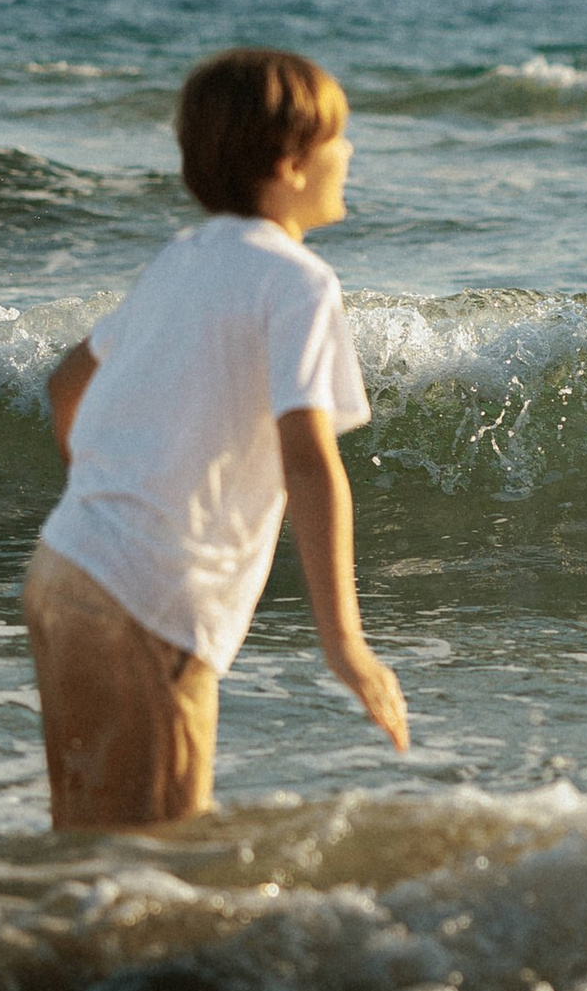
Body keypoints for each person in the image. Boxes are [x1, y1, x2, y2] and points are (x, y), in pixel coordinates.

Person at [24, 47, 408, 829]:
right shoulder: (299, 282)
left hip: (66, 569)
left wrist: (110, 493)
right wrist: (347, 645)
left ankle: (35, 948)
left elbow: (68, 382)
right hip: (149, 602)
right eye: (340, 139)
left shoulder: (183, 257)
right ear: (294, 162)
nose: (351, 154)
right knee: (155, 848)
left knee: (83, 832)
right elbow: (309, 458)